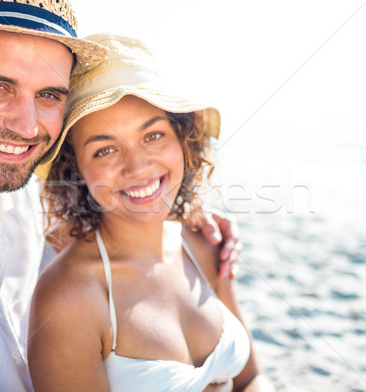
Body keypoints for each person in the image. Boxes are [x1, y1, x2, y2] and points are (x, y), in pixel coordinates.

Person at [0, 0, 239, 391]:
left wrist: (184, 215)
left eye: (48, 95)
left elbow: (111, 218)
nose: (26, 126)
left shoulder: (19, 183)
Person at [27, 33, 275, 392]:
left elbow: (251, 378)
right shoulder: (68, 298)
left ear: (182, 138)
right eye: (105, 150)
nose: (138, 166)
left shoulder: (203, 243)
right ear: (75, 170)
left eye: (153, 136)